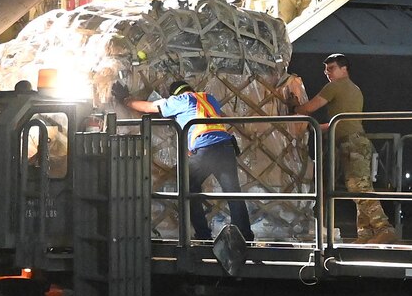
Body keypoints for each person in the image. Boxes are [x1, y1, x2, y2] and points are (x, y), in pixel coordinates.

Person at [115, 81, 254, 242]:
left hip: (205, 150)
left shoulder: (181, 100)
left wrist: (125, 99)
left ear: (176, 94)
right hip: (226, 147)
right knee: (233, 192)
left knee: (187, 188)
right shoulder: (209, 98)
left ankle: (203, 235)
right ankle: (245, 237)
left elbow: (148, 108)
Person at [282, 53, 397, 244]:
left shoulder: (335, 86)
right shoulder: (355, 89)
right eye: (326, 69)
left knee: (359, 189)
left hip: (351, 143)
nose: (327, 73)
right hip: (356, 142)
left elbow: (310, 107)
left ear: (344, 69)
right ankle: (366, 234)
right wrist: (317, 127)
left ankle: (383, 227)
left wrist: (296, 108)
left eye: (332, 68)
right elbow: (342, 122)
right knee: (357, 189)